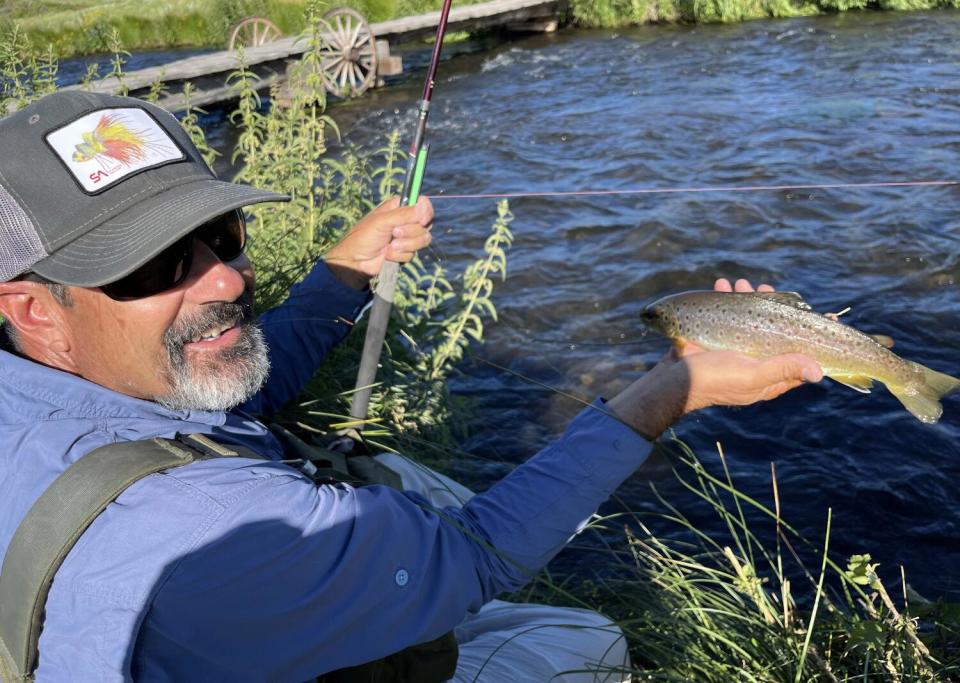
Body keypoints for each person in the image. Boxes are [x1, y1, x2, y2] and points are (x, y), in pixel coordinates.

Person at [0, 91, 824, 682]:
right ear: (35, 309)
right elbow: (473, 555)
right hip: (254, 599)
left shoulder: (51, 383)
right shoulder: (214, 530)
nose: (224, 280)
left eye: (221, 233)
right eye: (154, 263)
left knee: (404, 486)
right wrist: (670, 391)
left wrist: (343, 272)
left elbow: (238, 387)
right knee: (587, 639)